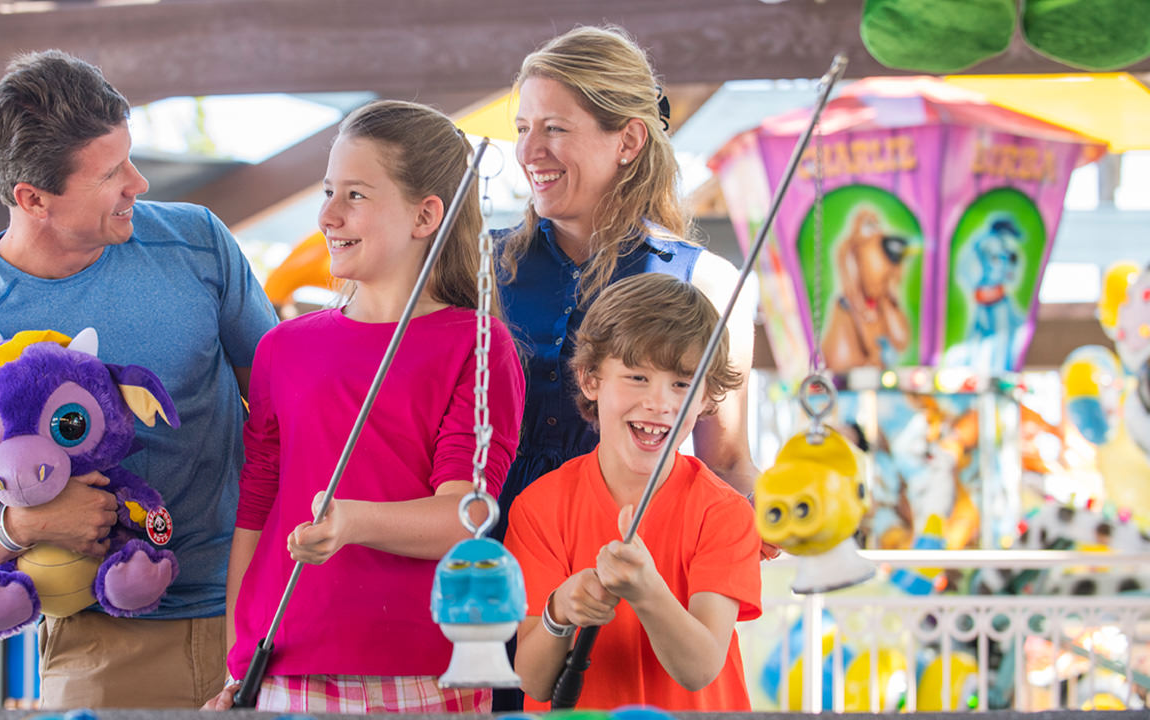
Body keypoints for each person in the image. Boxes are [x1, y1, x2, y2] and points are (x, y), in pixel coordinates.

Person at [0, 50, 277, 709]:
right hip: (96, 635)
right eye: (110, 173)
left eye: (129, 157)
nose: (139, 183)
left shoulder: (197, 244)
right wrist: (20, 528)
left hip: (255, 613)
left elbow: (279, 407)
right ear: (32, 198)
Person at [203, 100, 526, 714]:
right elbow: (257, 507)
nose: (327, 214)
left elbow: (466, 517)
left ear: (425, 214)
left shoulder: (478, 345)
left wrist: (354, 523)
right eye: (328, 191)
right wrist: (238, 660)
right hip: (280, 669)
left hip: (426, 670)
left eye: (354, 194)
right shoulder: (281, 348)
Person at [495, 25, 764, 540]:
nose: (528, 151)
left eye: (553, 128)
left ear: (629, 140)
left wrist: (785, 515)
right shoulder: (479, 265)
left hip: (633, 558)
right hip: (488, 570)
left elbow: (725, 461)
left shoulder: (706, 281)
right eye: (523, 127)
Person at [505, 273, 761, 710]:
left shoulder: (724, 513)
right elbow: (533, 680)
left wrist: (647, 590)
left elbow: (699, 668)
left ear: (705, 399)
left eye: (682, 384)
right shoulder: (539, 507)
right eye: (637, 377)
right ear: (590, 380)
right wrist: (559, 612)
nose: (660, 403)